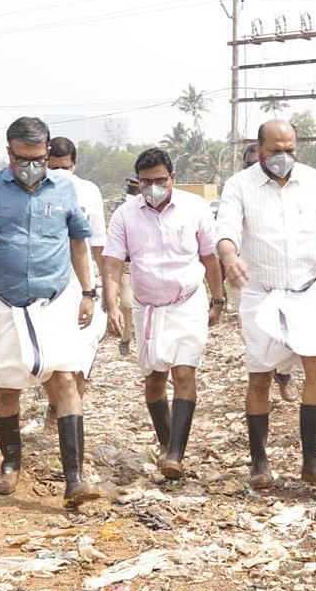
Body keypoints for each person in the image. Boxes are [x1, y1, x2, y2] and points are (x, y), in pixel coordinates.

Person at [0, 116, 101, 504]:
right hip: (7, 302)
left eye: (38, 158)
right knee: (8, 385)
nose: (30, 166)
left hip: (54, 299)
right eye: (22, 158)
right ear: (9, 153)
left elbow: (79, 242)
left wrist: (88, 291)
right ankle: (11, 463)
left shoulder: (64, 189)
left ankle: (75, 478)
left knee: (65, 380)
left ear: (48, 153)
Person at [216, 119, 316, 489]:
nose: (283, 157)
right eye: (276, 151)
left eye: (290, 149)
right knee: (260, 377)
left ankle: (312, 460)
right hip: (261, 292)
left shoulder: (312, 181)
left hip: (306, 291)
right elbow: (225, 231)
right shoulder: (239, 186)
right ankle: (260, 463)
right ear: (260, 150)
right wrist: (230, 258)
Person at [103, 148, 224, 480]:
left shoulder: (194, 208)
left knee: (184, 373)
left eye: (160, 181)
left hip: (187, 301)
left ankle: (175, 454)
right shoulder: (125, 215)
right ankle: (167, 440)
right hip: (149, 307)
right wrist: (111, 303)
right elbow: (112, 263)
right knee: (155, 378)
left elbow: (210, 257)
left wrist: (218, 299)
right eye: (146, 182)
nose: (153, 187)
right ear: (137, 182)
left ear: (172, 178)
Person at [47, 137, 108, 425]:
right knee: (49, 360)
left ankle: (71, 419)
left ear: (75, 165)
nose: (60, 172)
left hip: (82, 286)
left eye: (65, 167)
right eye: (53, 166)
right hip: (47, 287)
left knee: (81, 357)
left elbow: (97, 243)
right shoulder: (35, 192)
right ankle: (56, 405)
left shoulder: (88, 192)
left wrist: (105, 288)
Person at [242, 143, 299, 403]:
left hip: (289, 281)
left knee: (288, 333)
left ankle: (284, 374)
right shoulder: (240, 191)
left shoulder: (291, 193)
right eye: (250, 164)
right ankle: (263, 379)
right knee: (260, 338)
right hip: (251, 281)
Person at [116, 177, 141, 356]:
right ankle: (126, 337)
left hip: (149, 268)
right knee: (126, 305)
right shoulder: (122, 214)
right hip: (127, 266)